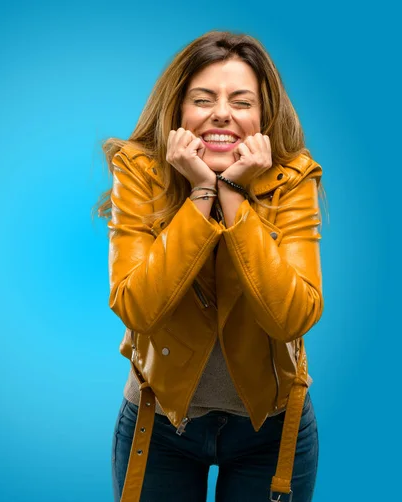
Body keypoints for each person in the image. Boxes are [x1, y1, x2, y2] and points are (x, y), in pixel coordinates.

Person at [94, 31, 326, 502]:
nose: (222, 113)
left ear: (263, 117)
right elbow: (136, 307)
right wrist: (202, 192)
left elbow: (293, 316)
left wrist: (234, 196)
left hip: (273, 426)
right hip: (158, 426)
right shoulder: (140, 173)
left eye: (241, 101)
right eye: (204, 99)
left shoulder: (291, 179)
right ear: (177, 112)